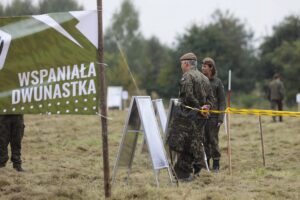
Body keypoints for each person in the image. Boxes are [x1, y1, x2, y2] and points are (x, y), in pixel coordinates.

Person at [167, 52, 214, 181]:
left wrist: (198, 108)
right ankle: (196, 172)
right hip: (201, 118)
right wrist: (205, 108)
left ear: (186, 63)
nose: (181, 67)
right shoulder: (204, 78)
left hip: (188, 117)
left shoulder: (187, 76)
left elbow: (187, 96)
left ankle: (185, 174)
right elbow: (211, 98)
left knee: (184, 145)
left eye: (182, 64)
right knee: (196, 143)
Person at [201, 57, 226, 172]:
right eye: (202, 66)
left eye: (205, 66)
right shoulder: (200, 80)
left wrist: (221, 118)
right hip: (201, 116)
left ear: (211, 67)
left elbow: (222, 101)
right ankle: (206, 164)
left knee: (213, 140)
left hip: (214, 117)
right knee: (203, 141)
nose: (202, 68)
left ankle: (216, 163)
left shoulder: (217, 82)